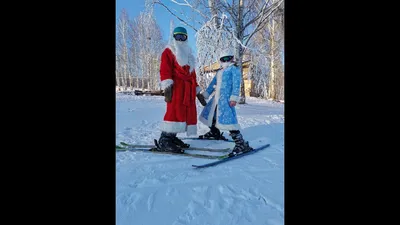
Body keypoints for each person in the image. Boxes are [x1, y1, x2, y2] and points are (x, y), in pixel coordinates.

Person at [158, 26, 207, 153]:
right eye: (177, 36)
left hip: (188, 91)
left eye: (183, 36)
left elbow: (193, 76)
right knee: (173, 113)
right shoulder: (168, 51)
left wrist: (198, 92)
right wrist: (167, 87)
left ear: (186, 38)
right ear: (174, 38)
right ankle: (165, 140)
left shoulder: (190, 55)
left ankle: (172, 138)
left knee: (183, 114)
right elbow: (165, 69)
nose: (180, 39)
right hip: (176, 89)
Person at [198, 49, 252, 156]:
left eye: (228, 58)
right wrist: (206, 94)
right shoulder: (219, 72)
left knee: (229, 120)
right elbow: (212, 84)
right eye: (223, 59)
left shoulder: (234, 69)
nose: (225, 60)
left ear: (232, 58)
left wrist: (233, 97)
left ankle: (241, 143)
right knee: (210, 115)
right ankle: (214, 132)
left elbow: (236, 84)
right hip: (216, 99)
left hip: (226, 100)